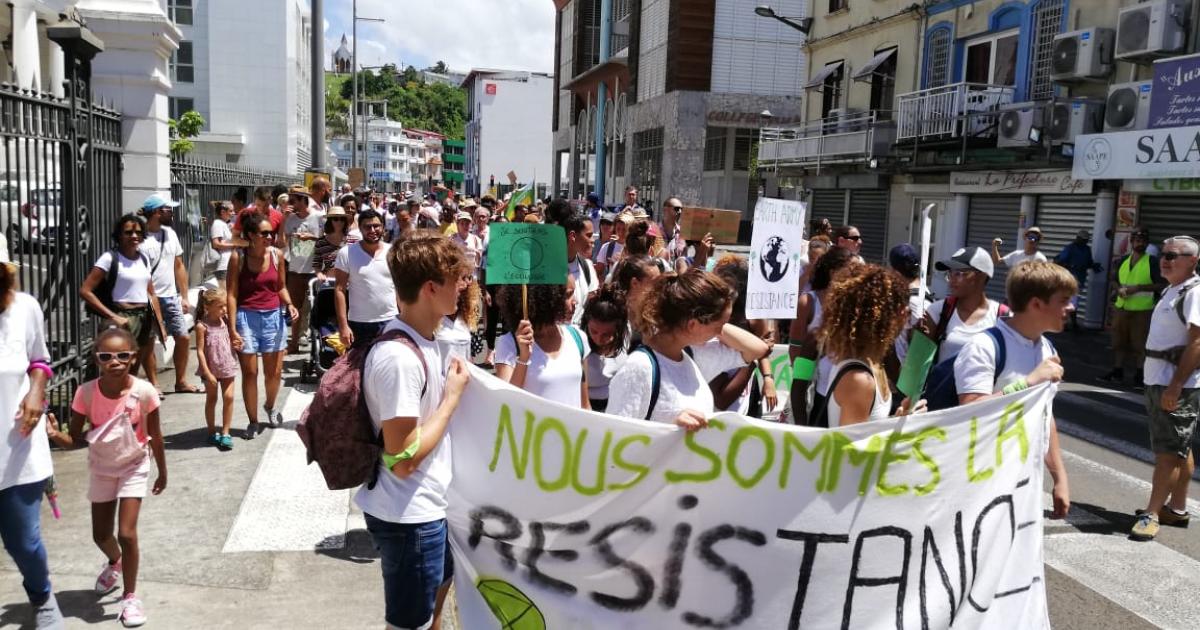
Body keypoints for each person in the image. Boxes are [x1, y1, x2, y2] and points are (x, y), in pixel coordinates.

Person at [356, 233, 471, 630]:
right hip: (409, 516)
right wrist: (451, 400)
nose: (464, 285)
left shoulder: (427, 341)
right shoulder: (399, 359)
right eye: (457, 278)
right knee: (409, 625)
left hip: (430, 507)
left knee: (430, 616)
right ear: (430, 288)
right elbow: (402, 458)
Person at [46, 327, 167, 628]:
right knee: (101, 535)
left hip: (134, 465)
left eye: (122, 355)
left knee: (127, 534)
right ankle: (116, 562)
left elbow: (156, 436)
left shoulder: (145, 392)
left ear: (133, 357)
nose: (115, 361)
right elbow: (74, 439)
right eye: (106, 356)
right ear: (97, 359)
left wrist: (163, 471)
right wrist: (53, 435)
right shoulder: (85, 393)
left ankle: (129, 597)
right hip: (101, 466)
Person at [954, 260, 1074, 520]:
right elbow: (970, 411)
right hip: (981, 484)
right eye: (1063, 300)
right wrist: (1027, 383)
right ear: (1036, 304)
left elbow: (1045, 415)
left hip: (1024, 482)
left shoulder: (1047, 350)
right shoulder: (984, 346)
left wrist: (1059, 477)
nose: (1070, 307)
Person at [608, 269, 770, 426]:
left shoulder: (693, 356)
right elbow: (613, 438)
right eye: (719, 326)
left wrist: (711, 319)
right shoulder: (639, 368)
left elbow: (757, 349)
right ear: (693, 325)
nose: (721, 333)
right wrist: (670, 427)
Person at [0, 259, 64, 629]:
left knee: (23, 542)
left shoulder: (25, 308)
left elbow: (40, 360)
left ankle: (41, 596)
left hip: (17, 447)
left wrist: (37, 393)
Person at [1131, 236, 1200, 540]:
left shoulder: (1195, 293)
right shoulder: (1175, 290)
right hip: (1158, 378)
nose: (1165, 260)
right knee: (1177, 447)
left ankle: (1152, 513)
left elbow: (1197, 342)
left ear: (1193, 261)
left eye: (1173, 256)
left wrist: (1175, 386)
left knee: (1167, 453)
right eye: (1164, 254)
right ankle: (1178, 509)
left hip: (1175, 384)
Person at [817, 264, 923, 426]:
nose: (907, 315)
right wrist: (903, 425)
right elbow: (854, 448)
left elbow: (870, 432)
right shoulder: (859, 379)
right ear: (883, 317)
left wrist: (900, 417)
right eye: (903, 309)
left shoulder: (873, 363)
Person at [227, 214, 299, 438]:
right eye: (264, 233)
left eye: (271, 233)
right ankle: (253, 421)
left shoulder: (277, 256)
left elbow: (280, 287)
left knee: (274, 373)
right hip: (246, 316)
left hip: (273, 317)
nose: (269, 236)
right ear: (250, 235)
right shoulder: (238, 258)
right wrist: (232, 328)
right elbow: (231, 294)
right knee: (250, 373)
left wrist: (290, 304)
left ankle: (269, 405)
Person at [80, 215, 167, 388]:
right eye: (128, 232)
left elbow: (152, 294)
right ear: (119, 235)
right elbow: (85, 291)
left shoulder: (143, 259)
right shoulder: (109, 258)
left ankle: (127, 406)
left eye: (138, 232)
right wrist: (113, 317)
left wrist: (160, 324)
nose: (134, 236)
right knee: (115, 367)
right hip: (122, 317)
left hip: (144, 317)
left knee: (133, 366)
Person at [495, 278, 591, 408]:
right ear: (546, 299)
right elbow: (504, 405)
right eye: (568, 295)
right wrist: (523, 358)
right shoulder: (509, 343)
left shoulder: (578, 337)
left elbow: (585, 406)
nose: (575, 301)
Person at [789, 247, 858, 426]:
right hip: (818, 391)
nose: (857, 275)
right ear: (833, 272)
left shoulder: (858, 307)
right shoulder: (807, 302)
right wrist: (804, 377)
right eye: (852, 270)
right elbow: (796, 349)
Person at [138, 193, 196, 394]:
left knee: (183, 337)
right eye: (168, 209)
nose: (172, 213)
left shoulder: (169, 234)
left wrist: (185, 296)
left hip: (170, 296)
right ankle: (154, 384)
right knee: (148, 342)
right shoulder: (140, 239)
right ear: (156, 212)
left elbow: (178, 265)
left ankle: (180, 381)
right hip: (148, 299)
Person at [710, 256, 778, 417]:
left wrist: (768, 379)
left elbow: (762, 349)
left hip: (743, 382)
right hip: (718, 371)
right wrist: (752, 357)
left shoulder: (752, 316)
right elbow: (720, 401)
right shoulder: (710, 315)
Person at [1101, 227, 1163, 386]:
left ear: (1146, 243)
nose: (1139, 243)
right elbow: (1114, 279)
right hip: (1122, 308)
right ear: (1131, 242)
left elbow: (1160, 285)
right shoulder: (1123, 260)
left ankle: (1139, 375)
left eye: (1142, 241)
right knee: (1118, 341)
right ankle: (1117, 371)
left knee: (1139, 344)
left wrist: (1139, 288)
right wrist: (1118, 289)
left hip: (1142, 311)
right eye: (1136, 240)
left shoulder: (1152, 262)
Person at [926, 246, 1006, 363]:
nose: (952, 279)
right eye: (950, 273)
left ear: (981, 276)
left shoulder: (1003, 316)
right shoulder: (937, 312)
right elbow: (916, 365)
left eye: (959, 273)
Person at [334, 210, 397, 349]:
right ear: (360, 229)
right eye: (367, 227)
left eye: (376, 226)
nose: (372, 230)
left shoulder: (393, 252)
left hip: (390, 320)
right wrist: (343, 326)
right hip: (359, 323)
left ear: (383, 227)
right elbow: (339, 290)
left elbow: (400, 288)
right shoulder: (346, 253)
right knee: (359, 368)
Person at [194, 289, 240, 451]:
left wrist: (237, 342)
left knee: (229, 397)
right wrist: (206, 372)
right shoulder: (202, 326)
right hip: (211, 369)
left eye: (225, 306)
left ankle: (226, 432)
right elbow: (200, 350)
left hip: (227, 365)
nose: (224, 310)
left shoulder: (226, 321)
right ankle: (212, 431)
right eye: (221, 306)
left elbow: (232, 339)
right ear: (208, 306)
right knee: (211, 399)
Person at [283, 186, 324, 354]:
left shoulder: (319, 218)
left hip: (313, 270)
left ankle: (319, 344)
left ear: (302, 200)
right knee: (295, 308)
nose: (290, 204)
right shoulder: (291, 219)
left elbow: (327, 240)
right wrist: (284, 218)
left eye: (293, 200)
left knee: (316, 308)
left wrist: (311, 237)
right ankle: (294, 343)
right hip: (295, 270)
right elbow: (282, 240)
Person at [581, 286, 629, 412]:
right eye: (594, 331)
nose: (598, 338)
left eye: (606, 335)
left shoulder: (626, 335)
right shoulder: (577, 345)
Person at [1054, 229, 1102, 330]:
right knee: (1069, 300)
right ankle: (1066, 322)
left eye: (1086, 240)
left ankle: (1072, 323)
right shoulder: (1070, 248)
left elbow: (1089, 262)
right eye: (1083, 240)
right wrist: (1070, 266)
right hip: (1069, 278)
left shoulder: (1087, 250)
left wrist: (1094, 266)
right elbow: (1059, 261)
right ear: (1078, 238)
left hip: (1080, 279)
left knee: (1075, 301)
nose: (1084, 242)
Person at [435, 280, 482, 370]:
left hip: (464, 378)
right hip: (440, 380)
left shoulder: (466, 315)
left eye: (467, 277)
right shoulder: (433, 317)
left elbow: (469, 355)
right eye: (460, 278)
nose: (466, 283)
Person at [563, 212, 597, 326]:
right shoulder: (548, 270)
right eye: (589, 235)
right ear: (573, 236)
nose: (593, 240)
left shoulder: (587, 267)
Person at [313, 206, 357, 283]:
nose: (339, 222)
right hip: (329, 282)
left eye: (342, 219)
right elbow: (317, 265)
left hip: (350, 284)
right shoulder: (321, 242)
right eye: (336, 219)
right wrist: (319, 274)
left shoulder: (354, 241)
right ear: (330, 221)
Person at [208, 201, 242, 287]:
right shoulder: (218, 224)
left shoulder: (224, 224)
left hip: (228, 264)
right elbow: (215, 244)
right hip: (223, 265)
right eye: (231, 211)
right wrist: (234, 245)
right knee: (224, 293)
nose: (233, 213)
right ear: (223, 212)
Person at [595, 212, 630, 278]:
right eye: (618, 229)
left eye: (624, 229)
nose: (621, 232)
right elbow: (599, 270)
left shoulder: (634, 247)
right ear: (615, 228)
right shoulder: (607, 247)